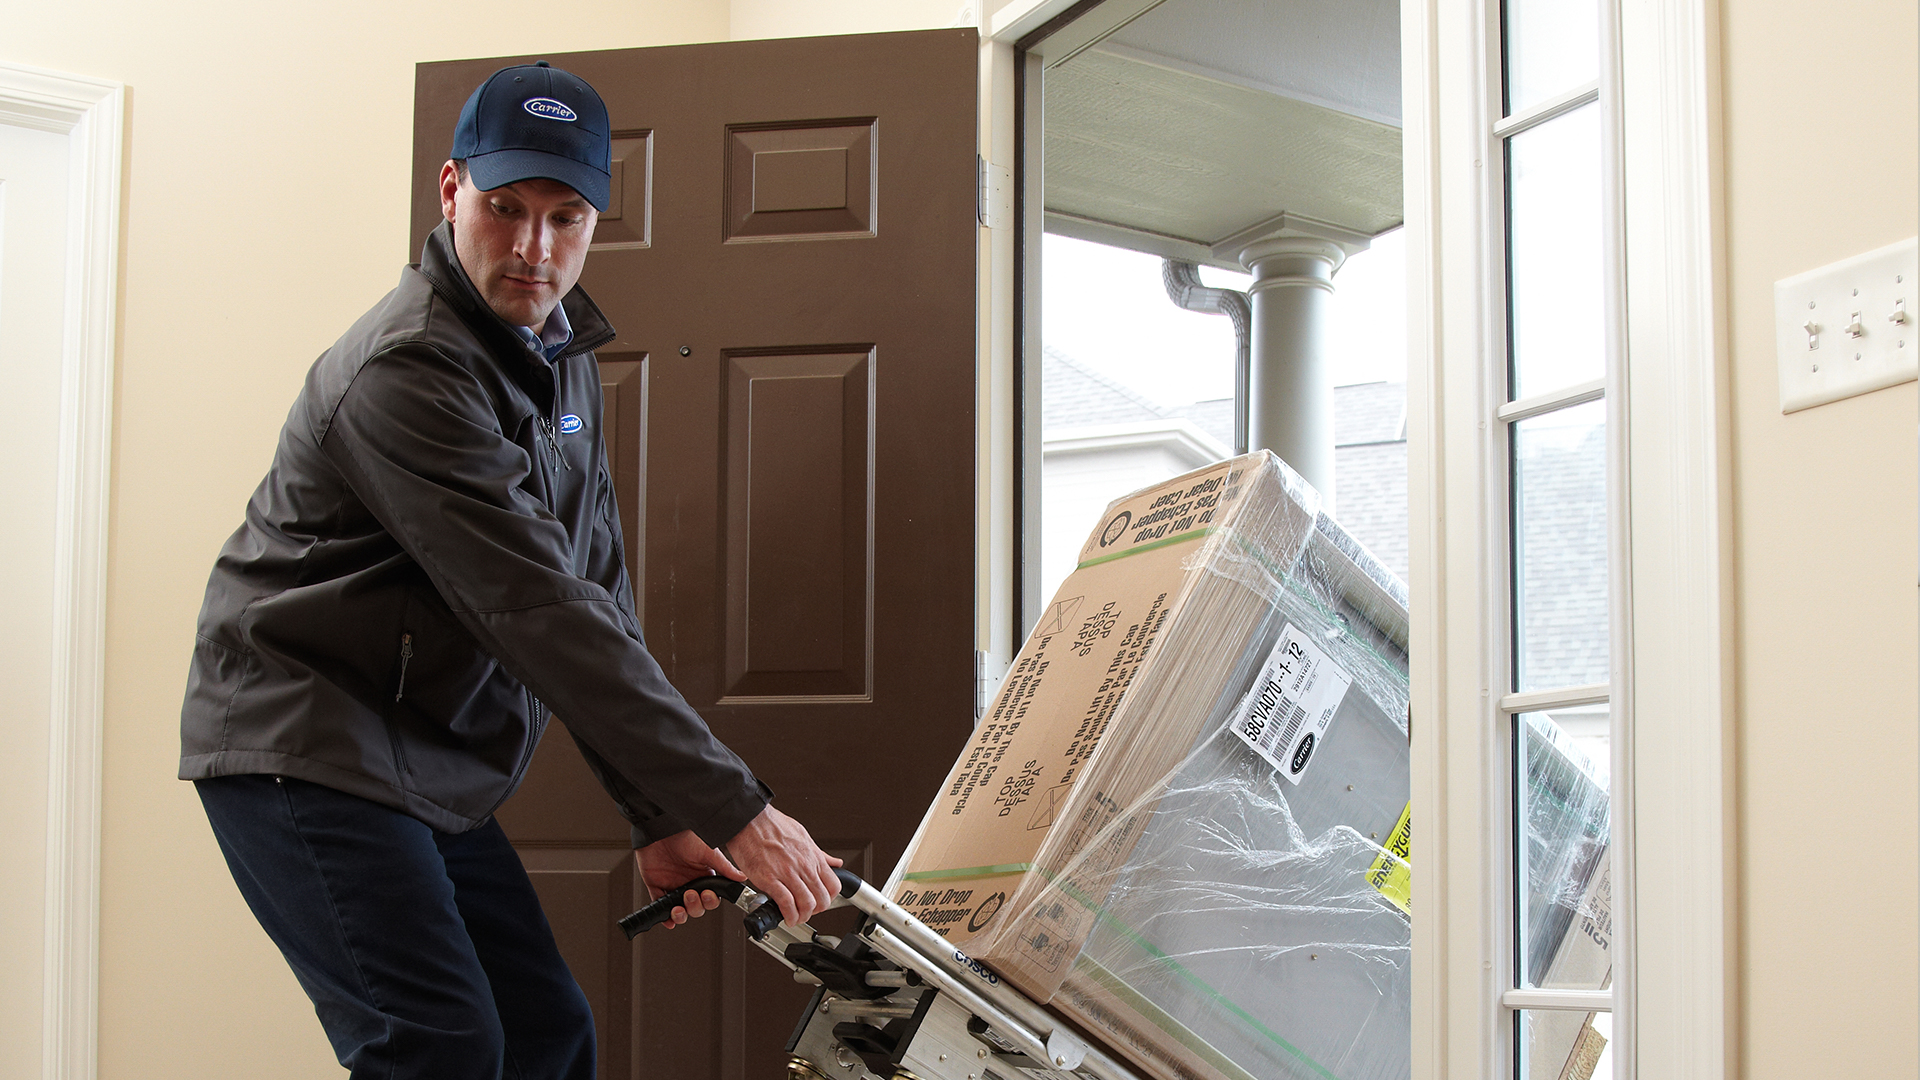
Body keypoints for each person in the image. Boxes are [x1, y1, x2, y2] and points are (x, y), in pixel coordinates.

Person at [179, 62, 841, 1079]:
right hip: (305, 741)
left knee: (544, 1034)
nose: (533, 247)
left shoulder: (559, 349)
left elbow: (595, 585)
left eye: (565, 216)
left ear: (595, 221)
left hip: (420, 757)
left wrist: (662, 816)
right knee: (437, 1049)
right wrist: (739, 814)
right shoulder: (406, 369)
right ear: (451, 193)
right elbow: (534, 609)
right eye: (505, 208)